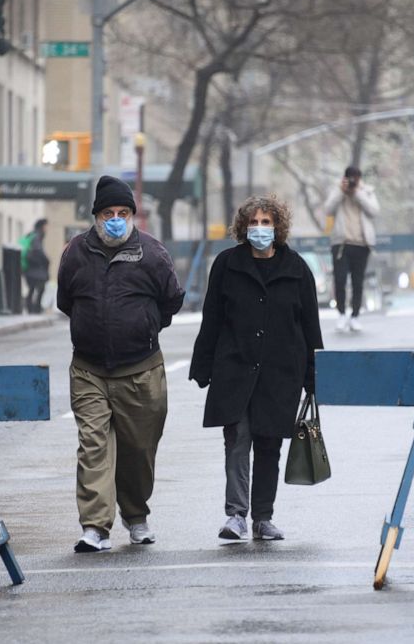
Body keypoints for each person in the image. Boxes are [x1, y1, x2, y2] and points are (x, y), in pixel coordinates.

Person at [57, 175, 185, 553]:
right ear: (96, 217)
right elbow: (67, 301)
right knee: (93, 446)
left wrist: (145, 328)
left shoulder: (152, 253)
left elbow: (171, 300)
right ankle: (95, 527)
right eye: (108, 213)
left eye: (123, 212)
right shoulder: (75, 252)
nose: (116, 219)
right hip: (89, 370)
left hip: (141, 371)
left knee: (138, 450)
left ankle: (136, 515)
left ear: (133, 216)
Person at [189, 194, 324, 542]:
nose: (260, 228)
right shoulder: (227, 265)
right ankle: (235, 515)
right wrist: (202, 365)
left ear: (277, 227)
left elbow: (311, 327)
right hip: (234, 369)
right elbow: (212, 319)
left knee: (269, 445)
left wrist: (315, 375)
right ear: (243, 227)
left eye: (266, 223)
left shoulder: (296, 269)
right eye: (254, 222)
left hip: (280, 374)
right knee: (236, 441)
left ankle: (263, 517)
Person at [324, 166, 380, 332]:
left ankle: (355, 316)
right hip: (341, 244)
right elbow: (328, 209)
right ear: (344, 178)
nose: (353, 181)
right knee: (339, 280)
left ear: (360, 178)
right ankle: (341, 314)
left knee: (358, 282)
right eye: (350, 178)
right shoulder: (337, 191)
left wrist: (357, 193)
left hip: (362, 244)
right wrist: (341, 192)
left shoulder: (367, 192)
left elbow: (374, 211)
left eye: (355, 178)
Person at [21, 218, 50, 313]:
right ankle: (35, 308)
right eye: (46, 226)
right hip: (35, 268)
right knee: (39, 288)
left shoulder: (32, 235)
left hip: (30, 268)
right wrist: (46, 259)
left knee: (32, 289)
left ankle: (32, 308)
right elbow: (38, 251)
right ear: (42, 226)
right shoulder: (37, 236)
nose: (47, 228)